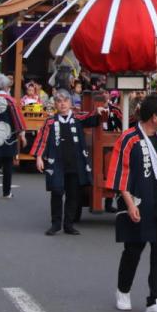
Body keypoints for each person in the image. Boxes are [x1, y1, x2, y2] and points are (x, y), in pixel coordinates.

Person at [108, 94, 157, 312]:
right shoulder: (129, 138)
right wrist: (129, 203)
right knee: (133, 250)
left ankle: (155, 300)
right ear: (154, 117)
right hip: (139, 202)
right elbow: (121, 173)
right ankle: (123, 290)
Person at [31, 90, 96, 235]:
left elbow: (93, 117)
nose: (63, 104)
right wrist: (39, 157)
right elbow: (41, 139)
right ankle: (55, 224)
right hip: (56, 163)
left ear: (70, 103)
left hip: (75, 162)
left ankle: (69, 224)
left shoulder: (78, 118)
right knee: (57, 191)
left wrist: (102, 107)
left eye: (65, 101)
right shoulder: (50, 121)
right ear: (55, 104)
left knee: (73, 194)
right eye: (59, 101)